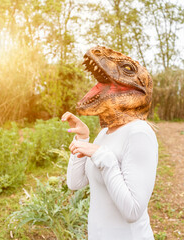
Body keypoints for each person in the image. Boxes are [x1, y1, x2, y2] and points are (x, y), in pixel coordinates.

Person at [62, 46, 158, 240]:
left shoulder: (139, 133)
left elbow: (132, 211)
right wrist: (82, 139)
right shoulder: (105, 133)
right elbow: (75, 183)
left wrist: (102, 156)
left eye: (128, 70)